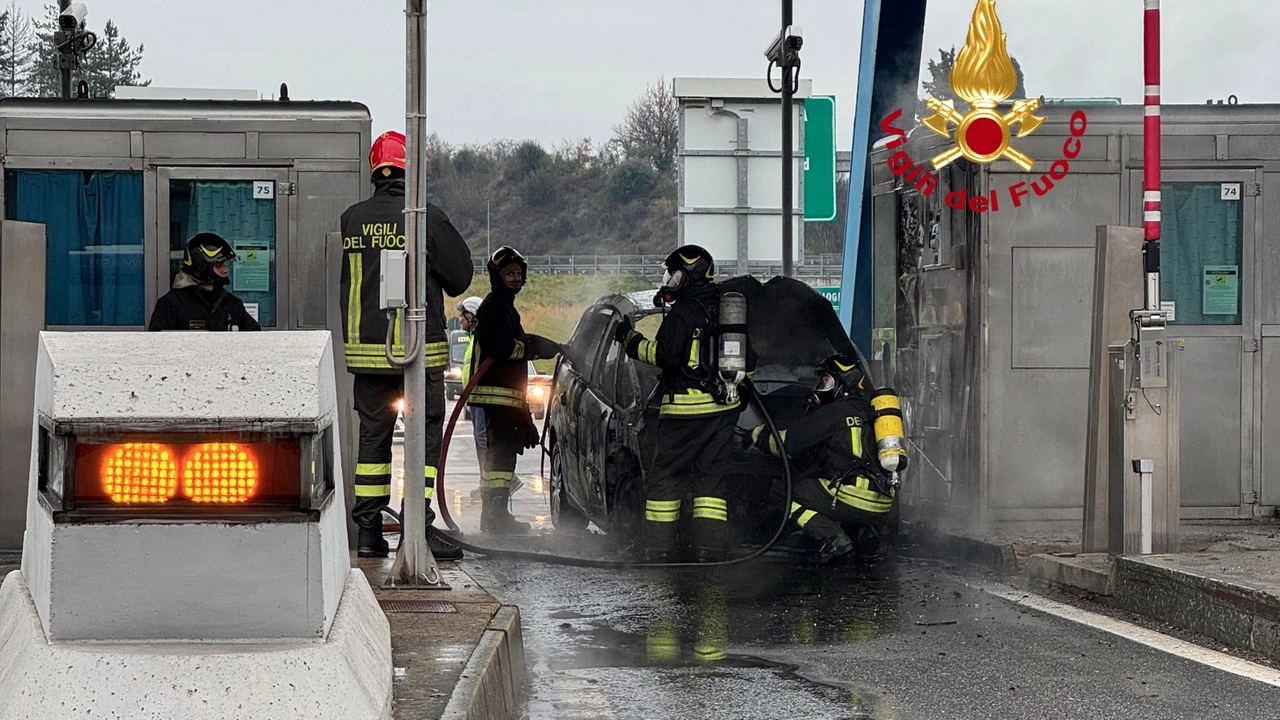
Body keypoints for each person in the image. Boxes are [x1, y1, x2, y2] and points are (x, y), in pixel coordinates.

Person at [340, 130, 472, 559]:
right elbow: (460, 277)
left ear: (374, 170)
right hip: (418, 355)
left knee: (372, 445)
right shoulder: (425, 218)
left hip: (367, 357)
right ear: (410, 170)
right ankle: (418, 527)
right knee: (423, 440)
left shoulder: (352, 218)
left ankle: (368, 533)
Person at [613, 245, 754, 562]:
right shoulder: (727, 311)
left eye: (674, 273)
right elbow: (750, 361)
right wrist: (737, 391)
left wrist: (629, 338)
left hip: (684, 414)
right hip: (723, 414)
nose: (669, 280)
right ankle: (709, 550)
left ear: (687, 275)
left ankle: (660, 550)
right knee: (711, 485)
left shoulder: (683, 314)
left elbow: (663, 356)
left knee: (666, 481)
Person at [745, 352, 897, 564]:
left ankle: (832, 538)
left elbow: (789, 443)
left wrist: (756, 435)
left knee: (782, 491)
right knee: (829, 490)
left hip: (850, 497)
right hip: (881, 502)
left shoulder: (833, 412)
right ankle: (864, 533)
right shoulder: (872, 411)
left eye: (826, 381)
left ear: (842, 383)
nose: (820, 387)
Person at [466, 246, 561, 534]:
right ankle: (494, 520)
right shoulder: (494, 307)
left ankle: (497, 516)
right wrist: (536, 347)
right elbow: (504, 348)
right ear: (498, 276)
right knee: (499, 459)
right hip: (497, 396)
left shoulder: (505, 307)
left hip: (507, 397)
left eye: (519, 273)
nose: (516, 278)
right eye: (509, 274)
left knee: (504, 458)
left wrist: (523, 415)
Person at [148, 233, 261, 332]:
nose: (225, 270)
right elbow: (158, 347)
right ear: (202, 267)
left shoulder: (232, 304)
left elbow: (255, 340)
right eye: (218, 265)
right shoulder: (172, 304)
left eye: (224, 264)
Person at [457, 296, 488, 476]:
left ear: (472, 316)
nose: (460, 319)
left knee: (482, 439)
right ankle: (485, 480)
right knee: (480, 439)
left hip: (481, 398)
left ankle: (488, 481)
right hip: (474, 398)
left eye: (463, 316)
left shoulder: (481, 339)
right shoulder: (473, 339)